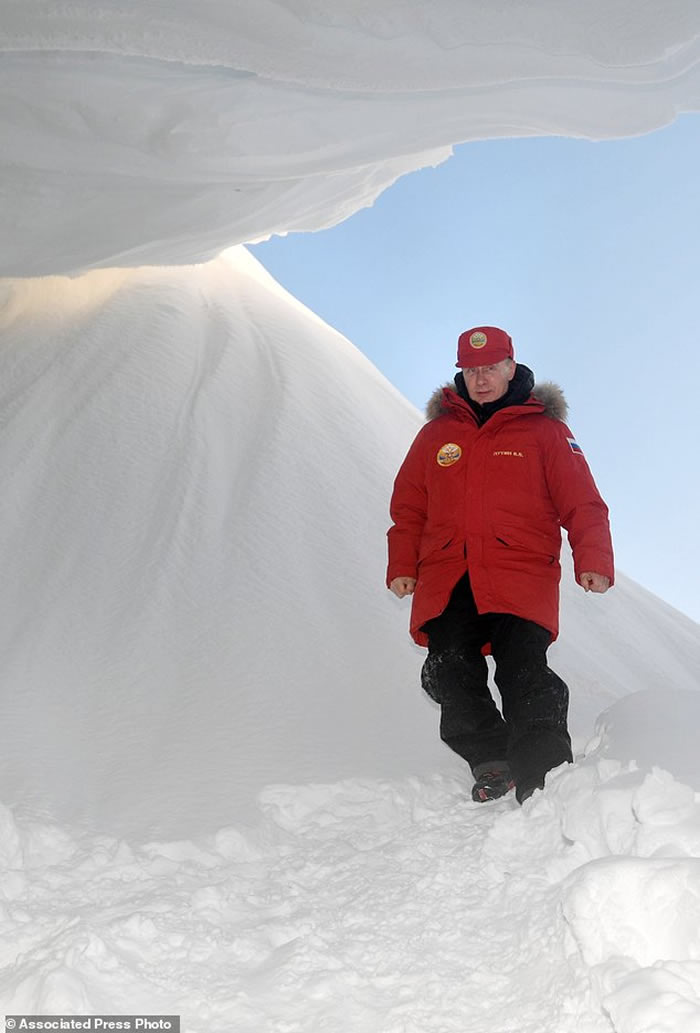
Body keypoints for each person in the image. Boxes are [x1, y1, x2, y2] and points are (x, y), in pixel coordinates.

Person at [386, 326, 613, 804]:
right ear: (460, 373)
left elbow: (582, 501)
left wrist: (593, 558)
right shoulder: (437, 435)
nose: (481, 378)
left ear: (511, 367)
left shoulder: (546, 431)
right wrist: (402, 563)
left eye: (491, 367)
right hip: (449, 575)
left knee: (523, 672)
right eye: (471, 369)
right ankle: (492, 758)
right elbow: (409, 506)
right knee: (447, 670)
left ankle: (544, 776)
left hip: (521, 574)